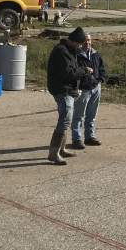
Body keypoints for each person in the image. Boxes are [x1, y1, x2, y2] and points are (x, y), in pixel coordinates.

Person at [46, 26, 93, 165]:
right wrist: (84, 70)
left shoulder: (69, 50)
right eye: (79, 43)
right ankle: (53, 153)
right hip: (62, 90)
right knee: (64, 120)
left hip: (67, 90)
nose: (80, 46)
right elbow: (69, 73)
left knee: (66, 120)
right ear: (73, 41)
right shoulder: (62, 52)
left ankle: (62, 149)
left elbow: (72, 68)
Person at [71, 33, 105, 149]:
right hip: (83, 89)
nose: (88, 42)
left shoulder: (96, 54)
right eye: (85, 40)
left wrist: (100, 79)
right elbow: (73, 71)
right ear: (81, 42)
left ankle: (90, 137)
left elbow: (101, 68)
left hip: (96, 88)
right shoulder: (76, 55)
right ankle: (76, 139)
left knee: (92, 114)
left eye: (89, 40)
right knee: (78, 115)